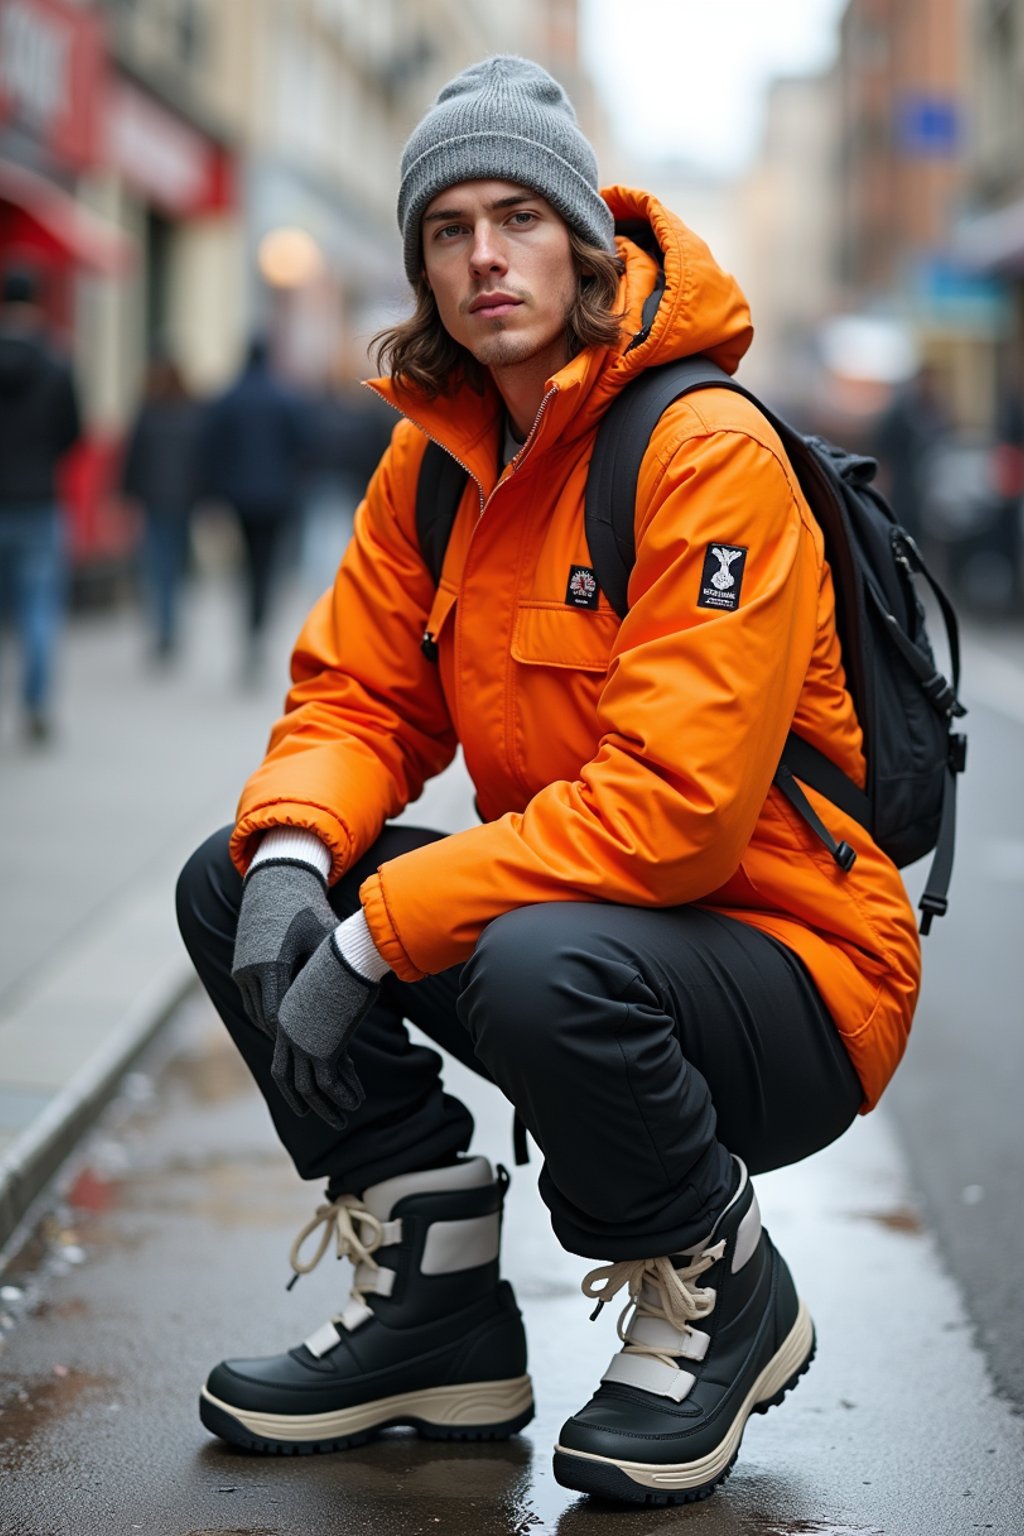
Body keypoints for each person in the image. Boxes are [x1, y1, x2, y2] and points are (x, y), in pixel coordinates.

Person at [176, 56, 921, 1506]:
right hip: (581, 925)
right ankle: (439, 1304)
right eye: (447, 229)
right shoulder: (435, 466)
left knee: (531, 960)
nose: (482, 256)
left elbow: (676, 814)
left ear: (584, 240)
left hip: (796, 969)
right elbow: (357, 696)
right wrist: (291, 866)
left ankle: (717, 1279)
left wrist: (384, 932)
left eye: (517, 217)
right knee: (235, 874)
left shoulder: (705, 450)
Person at [0, 266, 81, 742]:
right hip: (38, 499)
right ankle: (34, 704)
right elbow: (73, 430)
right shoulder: (56, 361)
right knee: (39, 607)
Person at [199, 336, 310, 681]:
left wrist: (214, 493)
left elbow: (211, 446)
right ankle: (258, 628)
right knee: (266, 565)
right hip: (277, 498)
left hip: (239, 498)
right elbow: (305, 442)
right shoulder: (284, 397)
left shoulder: (229, 397)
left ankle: (249, 628)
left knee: (246, 564)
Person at [121, 353, 203, 662]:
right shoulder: (192, 412)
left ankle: (164, 626)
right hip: (183, 500)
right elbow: (201, 461)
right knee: (176, 564)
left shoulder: (148, 411)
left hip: (154, 498)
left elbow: (134, 456)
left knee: (157, 564)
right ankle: (171, 624)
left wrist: (127, 493)